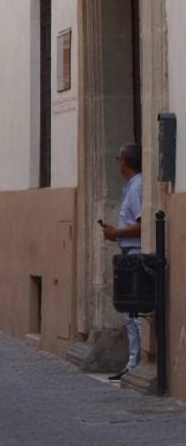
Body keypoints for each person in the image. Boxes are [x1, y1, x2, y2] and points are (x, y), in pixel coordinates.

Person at [102, 143, 143, 381]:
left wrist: (116, 233)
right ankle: (133, 363)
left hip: (135, 255)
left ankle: (135, 365)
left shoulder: (137, 186)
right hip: (130, 254)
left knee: (134, 313)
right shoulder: (132, 186)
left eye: (119, 158)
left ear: (124, 162)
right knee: (130, 312)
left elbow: (143, 223)